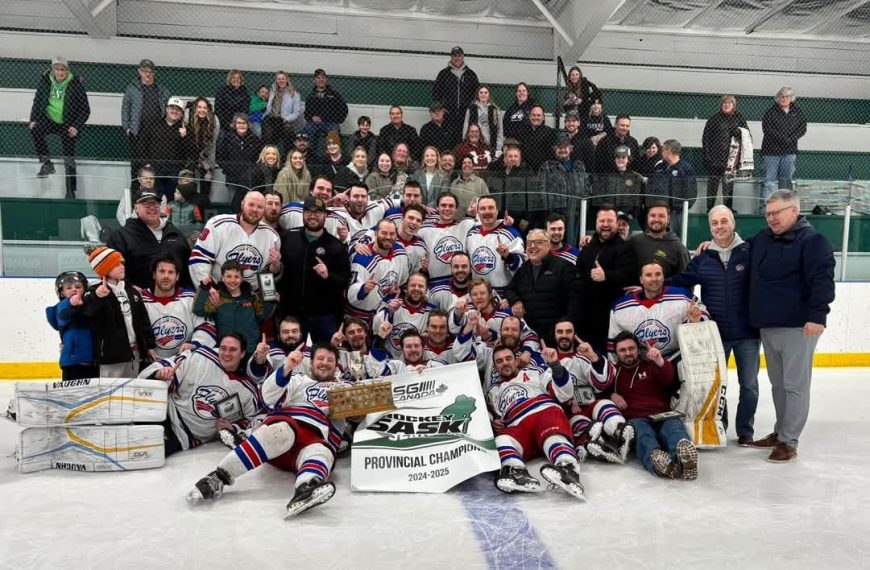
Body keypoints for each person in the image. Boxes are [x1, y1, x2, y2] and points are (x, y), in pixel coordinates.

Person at [187, 343, 351, 517]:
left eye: (330, 360)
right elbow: (268, 396)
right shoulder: (299, 379)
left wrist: (359, 416)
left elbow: (360, 414)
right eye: (320, 358)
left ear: (336, 365)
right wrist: (287, 366)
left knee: (322, 452)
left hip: (314, 440)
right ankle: (218, 477)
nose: (325, 362)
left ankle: (306, 488)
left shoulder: (345, 389)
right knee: (282, 432)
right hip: (286, 432)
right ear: (311, 363)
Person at [747, 190, 834, 462]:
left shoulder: (813, 241)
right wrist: (712, 245)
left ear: (794, 211)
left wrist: (817, 316)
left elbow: (822, 280)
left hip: (799, 326)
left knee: (795, 385)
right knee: (777, 385)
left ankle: (789, 441)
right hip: (768, 324)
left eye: (777, 213)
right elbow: (740, 251)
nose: (771, 218)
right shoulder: (764, 238)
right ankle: (780, 430)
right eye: (768, 213)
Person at [669, 205, 759, 445]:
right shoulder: (704, 257)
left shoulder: (749, 251)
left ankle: (745, 431)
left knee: (749, 385)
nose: (719, 227)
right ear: (710, 228)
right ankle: (721, 425)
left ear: (733, 223)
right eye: (714, 223)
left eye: (724, 221)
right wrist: (654, 288)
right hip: (716, 334)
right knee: (717, 384)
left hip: (747, 333)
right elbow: (683, 281)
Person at [488, 343, 586, 500]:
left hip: (544, 412)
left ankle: (567, 468)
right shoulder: (493, 392)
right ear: (495, 367)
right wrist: (495, 423)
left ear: (516, 360)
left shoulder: (535, 372)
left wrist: (555, 366)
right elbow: (493, 418)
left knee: (551, 434)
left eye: (508, 358)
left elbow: (564, 393)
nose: (505, 362)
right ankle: (517, 472)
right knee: (500, 440)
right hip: (518, 427)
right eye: (499, 361)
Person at [139, 332, 261, 454]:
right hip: (166, 412)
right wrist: (162, 374)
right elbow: (173, 368)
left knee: (145, 450)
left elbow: (251, 421)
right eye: (223, 348)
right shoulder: (201, 357)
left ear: (243, 353)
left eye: (233, 350)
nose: (227, 353)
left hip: (184, 436)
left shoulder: (247, 390)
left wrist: (233, 428)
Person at [609, 332, 699, 480]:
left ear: (638, 349)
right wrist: (612, 395)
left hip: (662, 413)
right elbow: (600, 393)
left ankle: (684, 459)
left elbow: (669, 379)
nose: (628, 353)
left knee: (674, 429)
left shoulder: (651, 364)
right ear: (616, 353)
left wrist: (660, 361)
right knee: (643, 435)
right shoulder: (613, 372)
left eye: (631, 348)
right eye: (622, 350)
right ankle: (658, 463)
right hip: (636, 418)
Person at [552, 318, 630, 464]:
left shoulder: (584, 356)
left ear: (574, 334)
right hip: (571, 413)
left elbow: (604, 383)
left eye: (568, 331)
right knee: (579, 423)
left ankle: (621, 432)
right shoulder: (549, 360)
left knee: (605, 404)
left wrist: (593, 357)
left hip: (591, 404)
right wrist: (567, 399)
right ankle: (596, 444)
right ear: (554, 335)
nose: (564, 335)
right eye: (560, 332)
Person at [279, 196, 351, 344]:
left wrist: (328, 275)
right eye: (308, 211)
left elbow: (344, 281)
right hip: (292, 314)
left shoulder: (336, 245)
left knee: (325, 357)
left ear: (325, 215)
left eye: (318, 212)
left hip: (324, 316)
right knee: (293, 358)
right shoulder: (288, 237)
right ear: (303, 214)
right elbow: (278, 271)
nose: (312, 216)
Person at [608, 260, 705, 360]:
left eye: (658, 274)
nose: (654, 279)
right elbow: (614, 344)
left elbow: (706, 321)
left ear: (663, 277)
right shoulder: (621, 307)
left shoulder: (684, 297)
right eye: (648, 275)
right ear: (641, 279)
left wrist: (695, 322)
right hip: (640, 364)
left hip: (675, 359)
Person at [82, 246, 156, 377]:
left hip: (135, 353)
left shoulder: (132, 291)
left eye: (122, 262)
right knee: (111, 394)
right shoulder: (94, 292)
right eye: (116, 264)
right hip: (111, 356)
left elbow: (143, 320)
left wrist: (148, 346)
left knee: (130, 392)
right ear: (104, 269)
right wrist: (97, 298)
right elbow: (88, 314)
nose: (122, 266)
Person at [188, 190, 281, 292]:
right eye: (251, 204)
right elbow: (199, 258)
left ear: (264, 210)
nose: (255, 209)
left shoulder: (272, 237)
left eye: (260, 207)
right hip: (218, 292)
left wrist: (268, 296)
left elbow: (266, 274)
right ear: (242, 204)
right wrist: (207, 290)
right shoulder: (218, 225)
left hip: (250, 297)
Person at [575, 205, 637, 353]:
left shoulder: (625, 248)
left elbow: (629, 277)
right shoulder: (588, 246)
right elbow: (578, 274)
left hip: (610, 318)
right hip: (585, 317)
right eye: (602, 220)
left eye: (610, 221)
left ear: (616, 224)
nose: (605, 225)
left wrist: (606, 276)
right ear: (596, 223)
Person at [504, 229, 580, 346]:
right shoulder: (524, 268)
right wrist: (515, 301)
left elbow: (575, 303)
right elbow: (509, 289)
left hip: (556, 338)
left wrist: (565, 329)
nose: (533, 246)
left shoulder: (564, 268)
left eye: (538, 242)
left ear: (548, 244)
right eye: (529, 243)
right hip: (531, 336)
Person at [29, 56, 90, 198]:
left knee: (68, 157)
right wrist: (33, 119)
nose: (60, 72)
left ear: (67, 70)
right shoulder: (45, 81)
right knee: (36, 129)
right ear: (52, 69)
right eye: (57, 69)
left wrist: (76, 126)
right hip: (49, 120)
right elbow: (37, 101)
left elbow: (85, 110)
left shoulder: (75, 84)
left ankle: (70, 191)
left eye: (63, 69)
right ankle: (47, 163)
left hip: (68, 123)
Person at [106, 190, 193, 290]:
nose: (152, 207)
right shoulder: (120, 237)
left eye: (155, 203)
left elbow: (187, 270)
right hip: (138, 301)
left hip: (175, 301)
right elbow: (111, 270)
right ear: (136, 208)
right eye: (146, 204)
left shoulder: (175, 234)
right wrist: (129, 288)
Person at [142, 254, 217, 359]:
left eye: (171, 272)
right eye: (162, 271)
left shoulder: (190, 298)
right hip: (152, 363)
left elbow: (206, 326)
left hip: (186, 361)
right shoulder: (140, 300)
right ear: (154, 274)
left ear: (177, 276)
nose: (166, 276)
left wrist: (195, 344)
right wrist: (144, 348)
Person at [193, 260, 275, 354]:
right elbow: (198, 310)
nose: (232, 280)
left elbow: (262, 317)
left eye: (236, 276)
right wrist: (204, 288)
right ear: (222, 278)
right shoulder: (217, 297)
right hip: (227, 351)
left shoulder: (252, 297)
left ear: (242, 278)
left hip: (251, 349)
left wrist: (271, 301)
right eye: (228, 276)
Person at [346, 218, 411, 322]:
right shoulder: (362, 258)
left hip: (384, 314)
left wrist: (399, 289)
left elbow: (403, 281)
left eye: (392, 234)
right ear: (375, 234)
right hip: (359, 317)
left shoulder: (400, 252)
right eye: (384, 233)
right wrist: (363, 289)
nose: (388, 237)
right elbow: (350, 295)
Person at [465, 195, 524, 296]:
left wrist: (508, 257)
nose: (487, 211)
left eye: (491, 208)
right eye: (483, 208)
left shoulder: (511, 234)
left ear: (497, 211)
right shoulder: (471, 234)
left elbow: (521, 269)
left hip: (503, 297)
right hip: (478, 297)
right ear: (478, 212)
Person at [137, 97, 194, 200]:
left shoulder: (185, 129)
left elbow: (192, 152)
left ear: (181, 113)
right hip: (155, 171)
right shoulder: (154, 125)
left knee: (171, 201)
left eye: (178, 109)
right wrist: (146, 163)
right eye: (172, 108)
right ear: (167, 109)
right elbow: (141, 145)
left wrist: (185, 137)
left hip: (174, 172)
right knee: (154, 199)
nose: (174, 111)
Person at [537, 134, 588, 244]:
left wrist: (583, 208)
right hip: (555, 213)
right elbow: (541, 189)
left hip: (575, 213)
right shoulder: (547, 166)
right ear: (554, 149)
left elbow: (586, 187)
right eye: (559, 147)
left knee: (572, 246)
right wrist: (548, 211)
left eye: (565, 147)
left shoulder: (579, 166)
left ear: (571, 148)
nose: (563, 150)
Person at [121, 59, 170, 176]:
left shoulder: (160, 89)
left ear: (154, 73)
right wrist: (127, 127)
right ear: (139, 72)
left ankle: (152, 191)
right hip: (137, 132)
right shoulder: (131, 88)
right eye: (144, 71)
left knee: (154, 163)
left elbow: (171, 103)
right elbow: (125, 108)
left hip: (156, 133)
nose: (147, 74)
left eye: (150, 71)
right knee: (136, 163)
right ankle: (135, 191)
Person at [46, 271, 97, 380]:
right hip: (72, 362)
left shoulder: (90, 306)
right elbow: (63, 315)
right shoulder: (61, 306)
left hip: (94, 361)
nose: (74, 289)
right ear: (61, 293)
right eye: (69, 288)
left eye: (78, 286)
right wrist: (71, 304)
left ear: (85, 289)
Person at [703, 95, 749, 210]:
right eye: (724, 103)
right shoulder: (714, 119)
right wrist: (708, 157)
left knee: (728, 185)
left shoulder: (739, 118)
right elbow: (706, 139)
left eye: (729, 103)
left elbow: (746, 135)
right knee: (713, 184)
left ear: (734, 106)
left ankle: (728, 209)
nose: (726, 105)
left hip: (731, 159)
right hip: (715, 158)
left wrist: (738, 133)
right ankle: (709, 208)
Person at [761, 88, 807, 198]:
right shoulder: (770, 112)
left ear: (791, 99)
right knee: (769, 181)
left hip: (789, 152)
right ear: (778, 98)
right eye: (782, 96)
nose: (784, 99)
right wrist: (783, 138)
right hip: (771, 152)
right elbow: (767, 129)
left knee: (786, 181)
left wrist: (791, 138)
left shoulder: (797, 112)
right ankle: (766, 208)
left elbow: (802, 128)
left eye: (787, 96)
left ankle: (785, 208)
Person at [627, 201, 690, 278]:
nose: (656, 219)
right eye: (653, 215)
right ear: (647, 217)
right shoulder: (634, 242)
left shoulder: (678, 249)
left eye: (661, 216)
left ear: (668, 219)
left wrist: (660, 288)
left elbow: (686, 281)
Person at [432, 46, 479, 147]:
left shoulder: (471, 75)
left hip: (466, 116)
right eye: (454, 56)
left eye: (459, 55)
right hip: (449, 116)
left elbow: (477, 95)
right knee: (448, 142)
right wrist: (441, 109)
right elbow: (436, 94)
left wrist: (471, 110)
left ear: (463, 57)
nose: (457, 58)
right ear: (451, 57)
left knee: (465, 142)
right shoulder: (443, 74)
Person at [648, 139, 697, 235]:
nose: (661, 152)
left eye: (663, 150)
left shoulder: (685, 169)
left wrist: (681, 208)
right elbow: (651, 187)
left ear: (668, 151)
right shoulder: (659, 167)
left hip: (677, 211)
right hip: (659, 209)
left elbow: (691, 192)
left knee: (673, 236)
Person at [592, 145, 644, 225]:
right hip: (609, 215)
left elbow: (637, 199)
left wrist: (632, 215)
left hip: (627, 217)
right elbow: (601, 197)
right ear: (614, 159)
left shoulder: (635, 177)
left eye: (623, 157)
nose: (620, 160)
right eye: (618, 157)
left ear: (628, 160)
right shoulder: (607, 176)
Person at [302, 68, 348, 145]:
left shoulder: (334, 95)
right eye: (318, 78)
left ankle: (332, 155)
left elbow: (344, 109)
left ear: (326, 80)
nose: (321, 80)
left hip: (330, 123)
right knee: (307, 130)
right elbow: (307, 113)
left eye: (323, 77)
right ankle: (309, 154)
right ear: (314, 80)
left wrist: (335, 119)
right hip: (314, 124)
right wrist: (312, 117)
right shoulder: (311, 96)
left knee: (334, 132)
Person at [186, 97, 220, 201]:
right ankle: (190, 206)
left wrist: (204, 160)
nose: (202, 110)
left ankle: (203, 207)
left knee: (206, 180)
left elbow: (212, 142)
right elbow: (187, 140)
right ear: (195, 108)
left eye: (205, 108)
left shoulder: (214, 120)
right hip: (191, 153)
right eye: (199, 107)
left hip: (207, 153)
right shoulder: (188, 117)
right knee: (188, 179)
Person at [261, 71, 303, 150]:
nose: (281, 81)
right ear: (276, 80)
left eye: (283, 79)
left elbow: (296, 112)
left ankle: (286, 157)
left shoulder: (294, 94)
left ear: (287, 79)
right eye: (278, 79)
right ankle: (267, 155)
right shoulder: (272, 91)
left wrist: (287, 119)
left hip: (284, 119)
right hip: (271, 118)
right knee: (268, 134)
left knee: (288, 133)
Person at [462, 85, 503, 156]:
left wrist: (499, 148)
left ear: (489, 95)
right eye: (481, 92)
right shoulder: (471, 109)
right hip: (475, 145)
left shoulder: (495, 110)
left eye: (485, 92)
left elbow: (500, 129)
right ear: (477, 95)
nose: (483, 94)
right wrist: (464, 142)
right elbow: (466, 127)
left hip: (490, 145)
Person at [520, 105, 556, 171]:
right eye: (533, 115)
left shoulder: (550, 132)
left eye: (538, 115)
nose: (536, 117)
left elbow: (551, 155)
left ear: (543, 118)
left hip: (543, 170)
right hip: (526, 170)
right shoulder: (523, 132)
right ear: (530, 117)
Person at [214, 69, 249, 136]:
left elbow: (245, 111)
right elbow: (218, 109)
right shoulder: (222, 91)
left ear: (241, 80)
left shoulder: (245, 93)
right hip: (223, 122)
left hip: (238, 123)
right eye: (233, 78)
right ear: (230, 79)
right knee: (221, 135)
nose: (236, 80)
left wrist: (236, 124)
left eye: (238, 78)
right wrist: (226, 124)